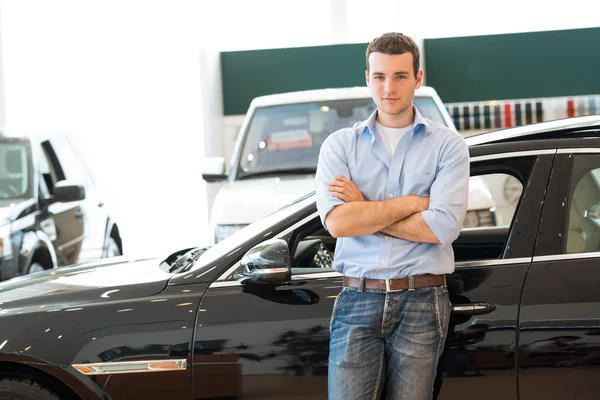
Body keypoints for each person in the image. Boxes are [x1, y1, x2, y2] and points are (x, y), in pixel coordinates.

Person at [315, 32, 470, 399]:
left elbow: (443, 227)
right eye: (380, 76)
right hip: (357, 299)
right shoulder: (340, 146)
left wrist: (364, 208)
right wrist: (415, 203)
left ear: (418, 78)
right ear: (367, 78)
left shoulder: (448, 146)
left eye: (400, 76)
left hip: (422, 299)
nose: (389, 87)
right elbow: (338, 223)